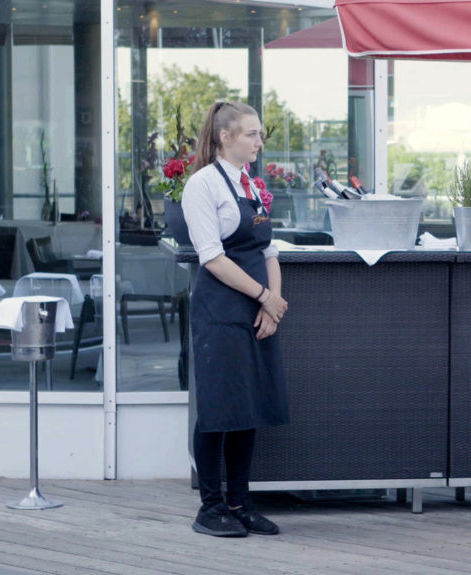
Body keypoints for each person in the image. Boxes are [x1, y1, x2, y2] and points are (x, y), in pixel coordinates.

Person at [181, 101, 289, 537]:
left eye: (260, 134)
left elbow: (269, 250)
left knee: (248, 406)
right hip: (220, 311)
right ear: (225, 137)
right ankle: (210, 508)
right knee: (218, 409)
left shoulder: (253, 185)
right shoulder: (202, 186)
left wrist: (273, 302)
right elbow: (212, 259)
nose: (260, 142)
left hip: (255, 309)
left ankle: (241, 504)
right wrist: (265, 295)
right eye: (252, 134)